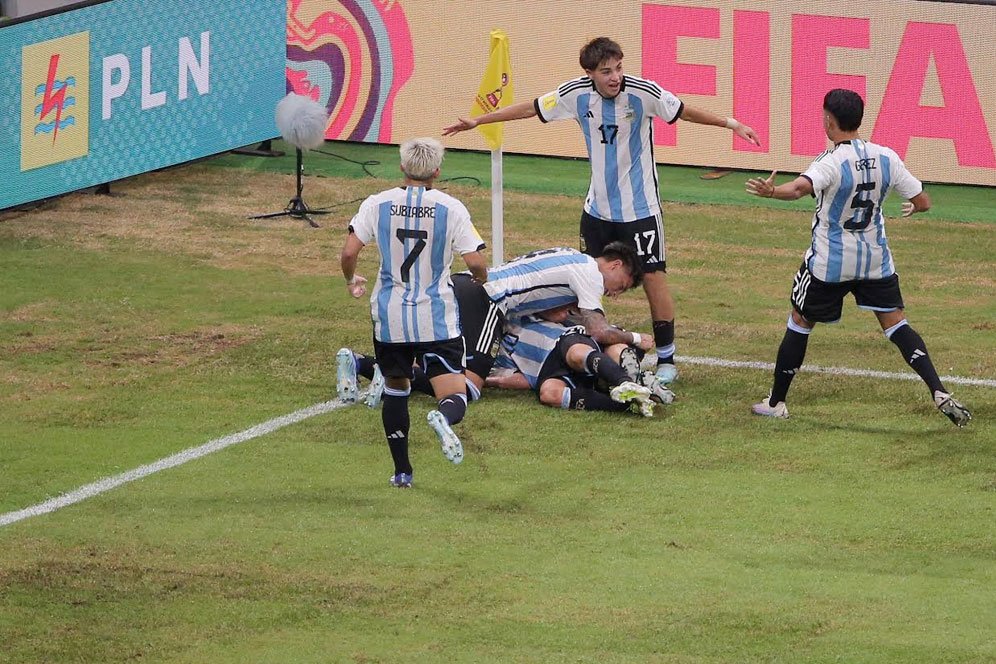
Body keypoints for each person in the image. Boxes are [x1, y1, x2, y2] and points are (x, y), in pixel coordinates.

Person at [444, 36, 759, 387]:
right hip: (596, 210)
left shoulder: (643, 93)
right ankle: (592, 351)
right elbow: (532, 108)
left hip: (640, 210)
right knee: (584, 282)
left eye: (619, 68)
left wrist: (731, 124)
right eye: (606, 71)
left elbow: (684, 111)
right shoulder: (575, 94)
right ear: (590, 73)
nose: (615, 77)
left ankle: (667, 359)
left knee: (653, 278)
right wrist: (480, 121)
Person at [744, 88, 971, 427]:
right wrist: (914, 206)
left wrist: (771, 191)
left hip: (830, 263)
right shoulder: (886, 157)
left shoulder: (830, 162)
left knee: (800, 320)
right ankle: (938, 390)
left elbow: (800, 188)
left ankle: (776, 403)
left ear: (828, 120)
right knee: (896, 323)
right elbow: (923, 201)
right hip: (875, 260)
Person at [339, 137, 489, 488]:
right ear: (437, 170)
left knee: (396, 389)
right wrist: (481, 278)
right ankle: (444, 418)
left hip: (391, 317)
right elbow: (475, 260)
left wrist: (351, 280)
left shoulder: (377, 204)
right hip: (436, 316)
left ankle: (402, 472)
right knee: (456, 392)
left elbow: (348, 252)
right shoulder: (451, 208)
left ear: (402, 167)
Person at [339, 241, 654, 406]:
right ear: (613, 264)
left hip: (461, 286)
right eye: (621, 285)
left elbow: (542, 301)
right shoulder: (590, 275)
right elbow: (598, 330)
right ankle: (373, 369)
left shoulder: (570, 256)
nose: (614, 293)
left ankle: (359, 364)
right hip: (486, 301)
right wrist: (636, 337)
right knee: (469, 387)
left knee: (437, 360)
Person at [487, 305, 674, 416]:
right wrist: (490, 382)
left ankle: (625, 381)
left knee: (581, 353)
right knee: (549, 394)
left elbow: (560, 312)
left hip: (566, 340)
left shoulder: (515, 310)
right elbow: (523, 380)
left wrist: (634, 338)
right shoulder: (491, 354)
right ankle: (625, 402)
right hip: (549, 367)